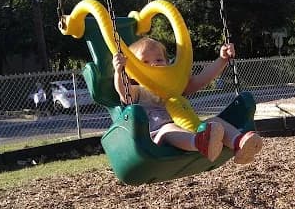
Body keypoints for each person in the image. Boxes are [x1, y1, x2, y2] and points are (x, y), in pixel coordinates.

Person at [112, 37, 262, 164]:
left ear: (168, 63)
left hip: (190, 129)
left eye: (159, 59)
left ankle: (240, 143)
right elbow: (124, 93)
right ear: (133, 72)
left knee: (214, 121)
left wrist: (222, 59)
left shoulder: (175, 88)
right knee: (167, 129)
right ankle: (200, 143)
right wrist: (119, 72)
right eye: (145, 62)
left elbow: (202, 79)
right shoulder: (138, 92)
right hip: (157, 140)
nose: (154, 64)